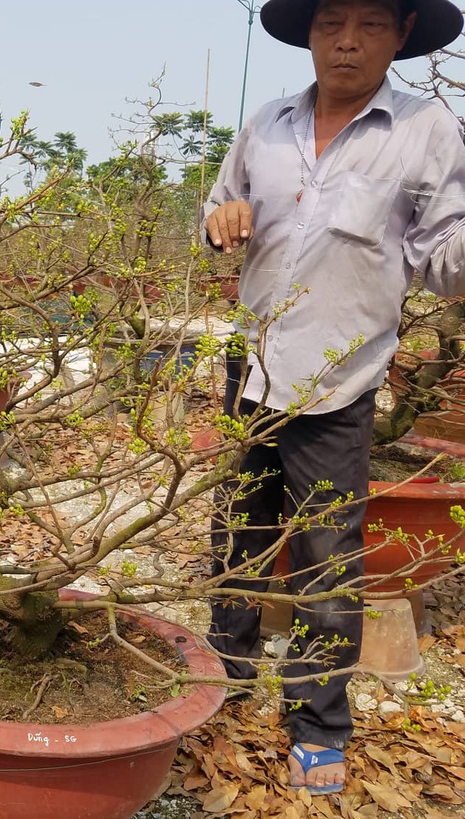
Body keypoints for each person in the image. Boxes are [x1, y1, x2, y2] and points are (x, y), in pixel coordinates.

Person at [203, 0, 465, 796]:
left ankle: (318, 722)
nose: (347, 40)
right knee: (236, 532)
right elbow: (215, 214)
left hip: (338, 381)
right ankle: (225, 677)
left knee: (325, 555)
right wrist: (221, 219)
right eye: (330, 23)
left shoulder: (426, 132)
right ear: (310, 35)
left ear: (403, 36)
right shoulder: (267, 124)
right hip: (252, 371)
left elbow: (444, 259)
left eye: (371, 23)